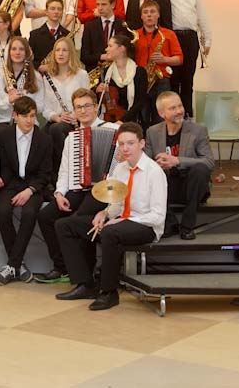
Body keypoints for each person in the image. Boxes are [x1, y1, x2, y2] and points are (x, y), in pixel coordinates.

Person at [55, 122, 166, 310]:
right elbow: (117, 203)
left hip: (146, 226)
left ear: (141, 144)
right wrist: (105, 213)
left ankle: (109, 292)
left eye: (130, 143)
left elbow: (157, 216)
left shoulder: (154, 172)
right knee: (65, 225)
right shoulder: (120, 169)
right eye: (121, 144)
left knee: (109, 233)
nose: (125, 148)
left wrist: (124, 221)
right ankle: (85, 284)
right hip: (120, 221)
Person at [36, 88, 118, 283]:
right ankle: (62, 266)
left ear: (96, 107)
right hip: (78, 188)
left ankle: (85, 270)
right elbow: (64, 171)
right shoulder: (72, 137)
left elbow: (121, 165)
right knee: (46, 216)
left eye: (87, 106)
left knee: (77, 219)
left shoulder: (114, 131)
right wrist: (59, 194)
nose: (83, 110)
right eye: (78, 107)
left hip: (104, 190)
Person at [0, 96, 52, 285]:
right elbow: (4, 166)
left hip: (34, 186)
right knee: (3, 211)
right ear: (15, 116)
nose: (29, 120)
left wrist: (30, 190)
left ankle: (12, 265)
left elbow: (46, 173)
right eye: (25, 116)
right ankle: (18, 265)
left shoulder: (45, 139)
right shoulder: (3, 135)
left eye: (32, 116)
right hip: (10, 183)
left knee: (30, 212)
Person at [145, 91, 213, 240]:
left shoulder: (198, 131)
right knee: (147, 175)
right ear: (162, 113)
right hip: (166, 186)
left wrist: (177, 160)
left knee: (200, 169)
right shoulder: (152, 132)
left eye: (180, 106)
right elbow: (146, 163)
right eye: (173, 108)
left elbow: (209, 161)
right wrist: (157, 164)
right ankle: (170, 222)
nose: (179, 111)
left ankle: (187, 226)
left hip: (192, 187)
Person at [157, 0, 212, 117]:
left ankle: (186, 114)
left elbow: (201, 14)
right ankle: (172, 115)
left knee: (188, 79)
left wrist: (207, 39)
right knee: (173, 78)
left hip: (190, 36)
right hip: (173, 36)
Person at [42, 37, 90, 172]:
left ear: (71, 53)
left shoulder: (81, 75)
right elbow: (45, 108)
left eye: (65, 50)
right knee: (41, 136)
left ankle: (66, 170)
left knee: (56, 130)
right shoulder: (47, 77)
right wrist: (56, 117)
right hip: (56, 120)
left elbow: (88, 102)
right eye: (57, 50)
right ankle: (49, 176)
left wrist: (76, 116)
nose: (61, 53)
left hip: (76, 121)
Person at [133, 0, 183, 126]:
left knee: (162, 118)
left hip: (161, 80)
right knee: (142, 117)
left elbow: (179, 59)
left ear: (158, 14)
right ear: (141, 16)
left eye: (152, 12)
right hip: (141, 80)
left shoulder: (169, 34)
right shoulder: (135, 35)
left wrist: (164, 59)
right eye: (145, 12)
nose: (149, 15)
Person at [0, 37, 44, 130]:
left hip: (28, 121)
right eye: (14, 49)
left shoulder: (36, 76)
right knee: (5, 133)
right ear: (9, 52)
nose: (17, 52)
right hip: (5, 121)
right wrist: (9, 100)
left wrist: (24, 102)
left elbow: (40, 107)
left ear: (26, 52)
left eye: (21, 49)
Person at [95, 33, 147, 124]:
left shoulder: (139, 72)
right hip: (109, 120)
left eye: (110, 46)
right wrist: (97, 91)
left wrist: (122, 121)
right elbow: (100, 103)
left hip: (133, 121)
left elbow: (140, 102)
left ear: (121, 48)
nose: (106, 49)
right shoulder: (106, 72)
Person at [80, 0, 128, 73]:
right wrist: (102, 57)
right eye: (97, 4)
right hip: (96, 73)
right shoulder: (89, 26)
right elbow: (84, 56)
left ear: (113, 5)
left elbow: (128, 53)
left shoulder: (123, 26)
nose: (100, 8)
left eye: (104, 4)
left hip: (119, 71)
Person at [29, 0, 68, 73]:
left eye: (59, 9)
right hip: (41, 75)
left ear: (62, 13)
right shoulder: (34, 35)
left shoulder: (68, 35)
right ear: (46, 12)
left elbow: (71, 58)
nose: (56, 12)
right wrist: (39, 66)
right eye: (52, 9)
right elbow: (28, 59)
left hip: (62, 74)